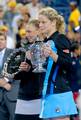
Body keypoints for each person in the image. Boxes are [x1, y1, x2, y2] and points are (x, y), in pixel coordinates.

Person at [38, 7, 77, 120]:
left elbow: (69, 65)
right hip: (47, 92)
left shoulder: (61, 38)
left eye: (43, 22)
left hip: (59, 91)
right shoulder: (44, 41)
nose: (40, 25)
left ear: (53, 22)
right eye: (39, 22)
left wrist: (52, 54)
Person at [14, 19, 44, 120]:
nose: (27, 34)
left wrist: (30, 67)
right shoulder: (24, 48)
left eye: (29, 31)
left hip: (40, 97)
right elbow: (16, 76)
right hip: (24, 95)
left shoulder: (46, 48)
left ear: (38, 31)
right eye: (26, 31)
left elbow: (43, 72)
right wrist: (22, 69)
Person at [0, 31, 20, 120]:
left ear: (6, 41)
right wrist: (2, 83)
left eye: (2, 39)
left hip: (10, 92)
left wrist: (5, 81)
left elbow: (16, 68)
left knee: (14, 118)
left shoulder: (14, 53)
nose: (0, 42)